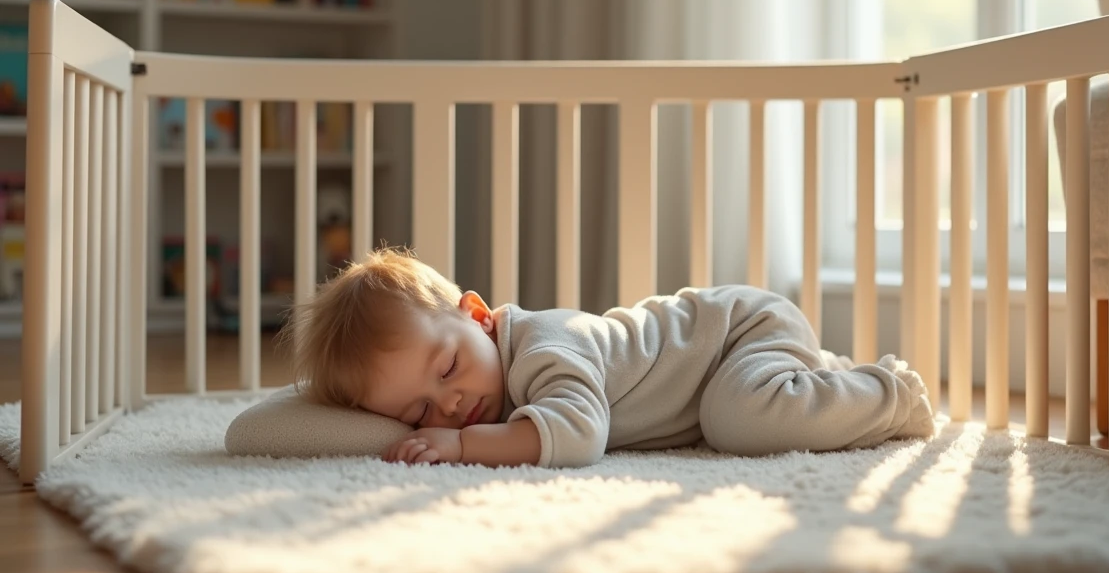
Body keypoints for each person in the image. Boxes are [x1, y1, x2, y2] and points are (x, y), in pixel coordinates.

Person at [283, 247, 935, 468]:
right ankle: (821, 374)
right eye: (419, 411)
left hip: (736, 331)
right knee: (734, 414)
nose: (449, 405)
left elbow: (578, 433)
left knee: (740, 421)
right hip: (729, 361)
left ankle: (890, 392)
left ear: (477, 317)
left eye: (448, 369)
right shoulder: (487, 374)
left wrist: (458, 447)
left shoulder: (544, 345)